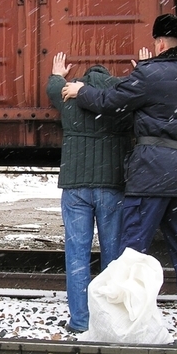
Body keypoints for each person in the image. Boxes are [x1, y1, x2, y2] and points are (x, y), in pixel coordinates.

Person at [60, 14, 177, 336]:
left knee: (129, 255)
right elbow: (157, 93)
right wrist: (143, 71)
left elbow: (109, 101)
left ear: (159, 43)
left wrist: (79, 90)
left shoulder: (150, 74)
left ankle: (126, 323)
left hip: (151, 174)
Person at [46, 53, 133, 333]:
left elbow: (51, 89)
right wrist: (140, 72)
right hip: (111, 186)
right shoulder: (120, 97)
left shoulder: (69, 94)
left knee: (77, 254)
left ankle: (80, 320)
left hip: (75, 187)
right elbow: (142, 94)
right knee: (113, 256)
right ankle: (108, 318)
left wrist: (57, 73)